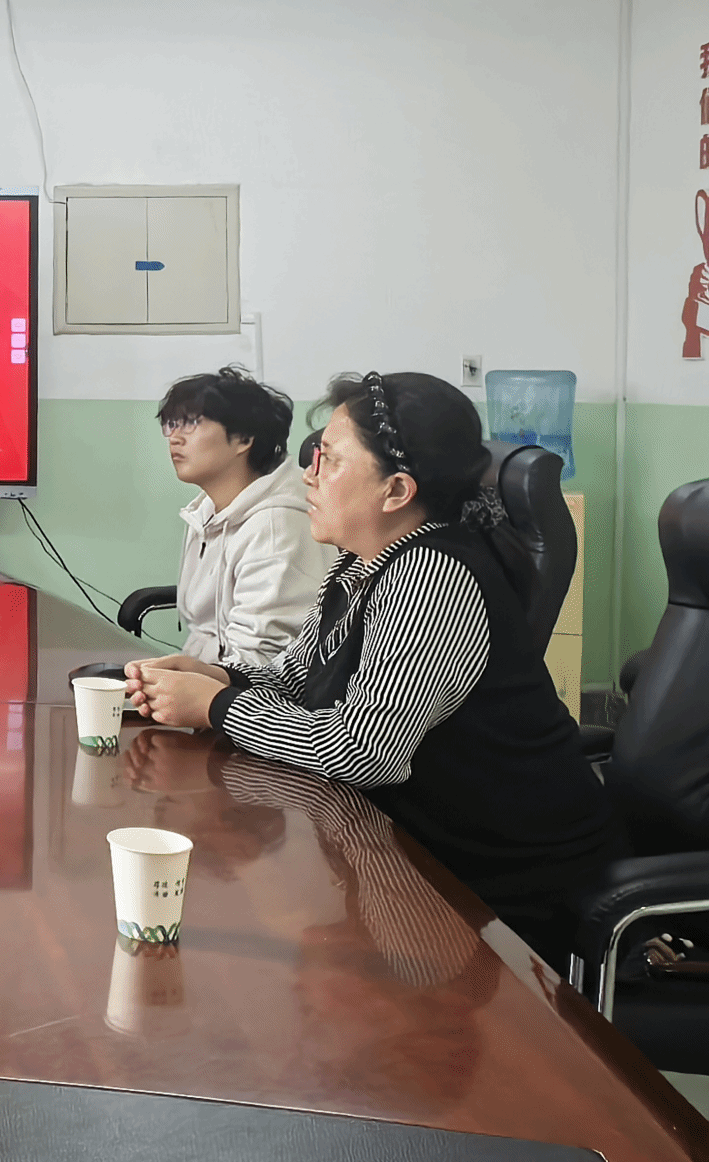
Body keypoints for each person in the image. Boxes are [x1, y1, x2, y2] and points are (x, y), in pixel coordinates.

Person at [125, 370, 622, 972]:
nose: (308, 475)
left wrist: (214, 708)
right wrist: (220, 678)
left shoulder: (435, 575)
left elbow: (365, 750)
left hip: (502, 882)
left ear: (396, 491)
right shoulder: (363, 564)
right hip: (418, 852)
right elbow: (297, 673)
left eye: (329, 460)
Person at [156, 366, 332, 669]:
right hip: (208, 674)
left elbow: (261, 661)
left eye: (192, 423)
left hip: (246, 690)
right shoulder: (206, 509)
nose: (174, 438)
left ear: (243, 438)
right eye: (171, 425)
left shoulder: (276, 526)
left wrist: (184, 685)